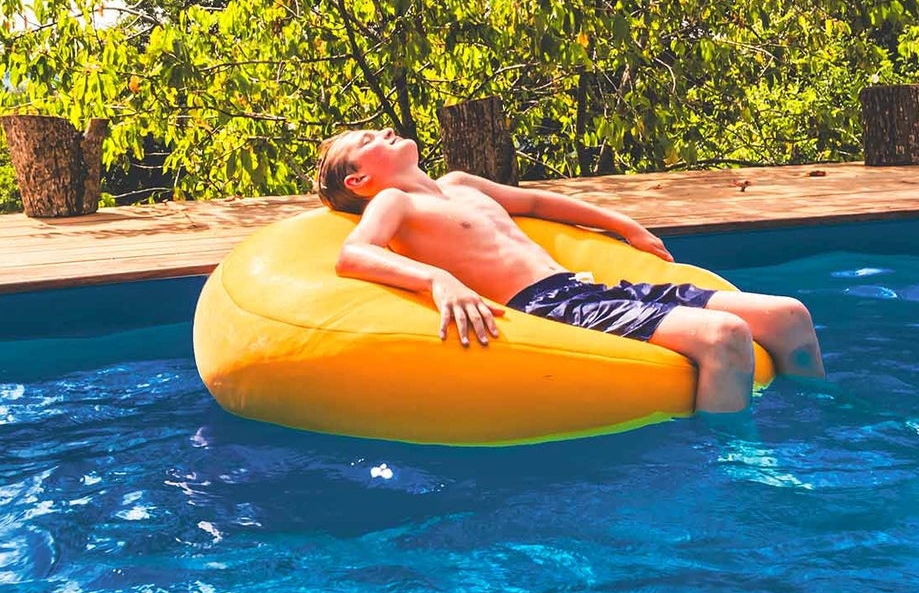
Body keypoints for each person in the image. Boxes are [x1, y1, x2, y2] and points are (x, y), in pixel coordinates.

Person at [314, 126, 824, 414]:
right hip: (546, 307)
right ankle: (738, 469)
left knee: (788, 314)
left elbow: (535, 202)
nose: (382, 129)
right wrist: (438, 279)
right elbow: (353, 255)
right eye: (365, 139)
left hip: (589, 290)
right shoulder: (396, 203)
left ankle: (818, 420)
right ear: (360, 179)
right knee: (725, 336)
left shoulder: (461, 182)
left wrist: (625, 225)